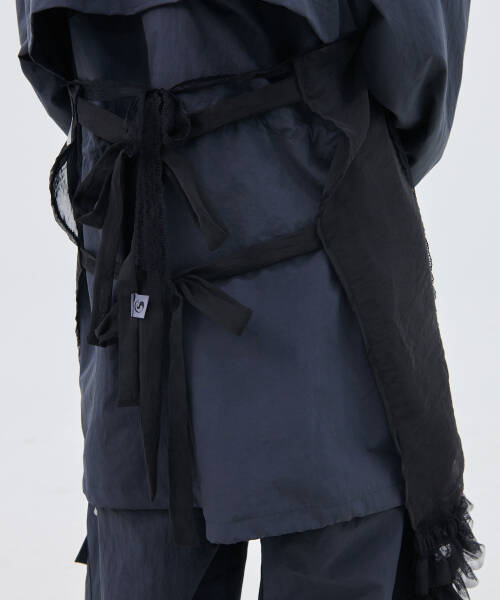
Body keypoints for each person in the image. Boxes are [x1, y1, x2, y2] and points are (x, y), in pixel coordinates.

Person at [16, 1, 483, 598]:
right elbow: (416, 58)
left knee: (147, 551)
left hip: (139, 243)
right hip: (312, 230)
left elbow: (42, 48)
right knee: (338, 535)